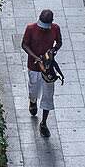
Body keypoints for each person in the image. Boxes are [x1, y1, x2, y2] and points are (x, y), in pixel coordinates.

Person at [21, 8, 62, 139]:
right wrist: (35, 57)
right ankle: (32, 101)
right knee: (34, 89)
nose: (44, 29)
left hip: (48, 67)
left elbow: (59, 43)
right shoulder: (31, 28)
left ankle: (44, 123)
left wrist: (53, 50)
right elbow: (24, 45)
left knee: (48, 95)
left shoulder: (55, 28)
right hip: (34, 66)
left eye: (46, 27)